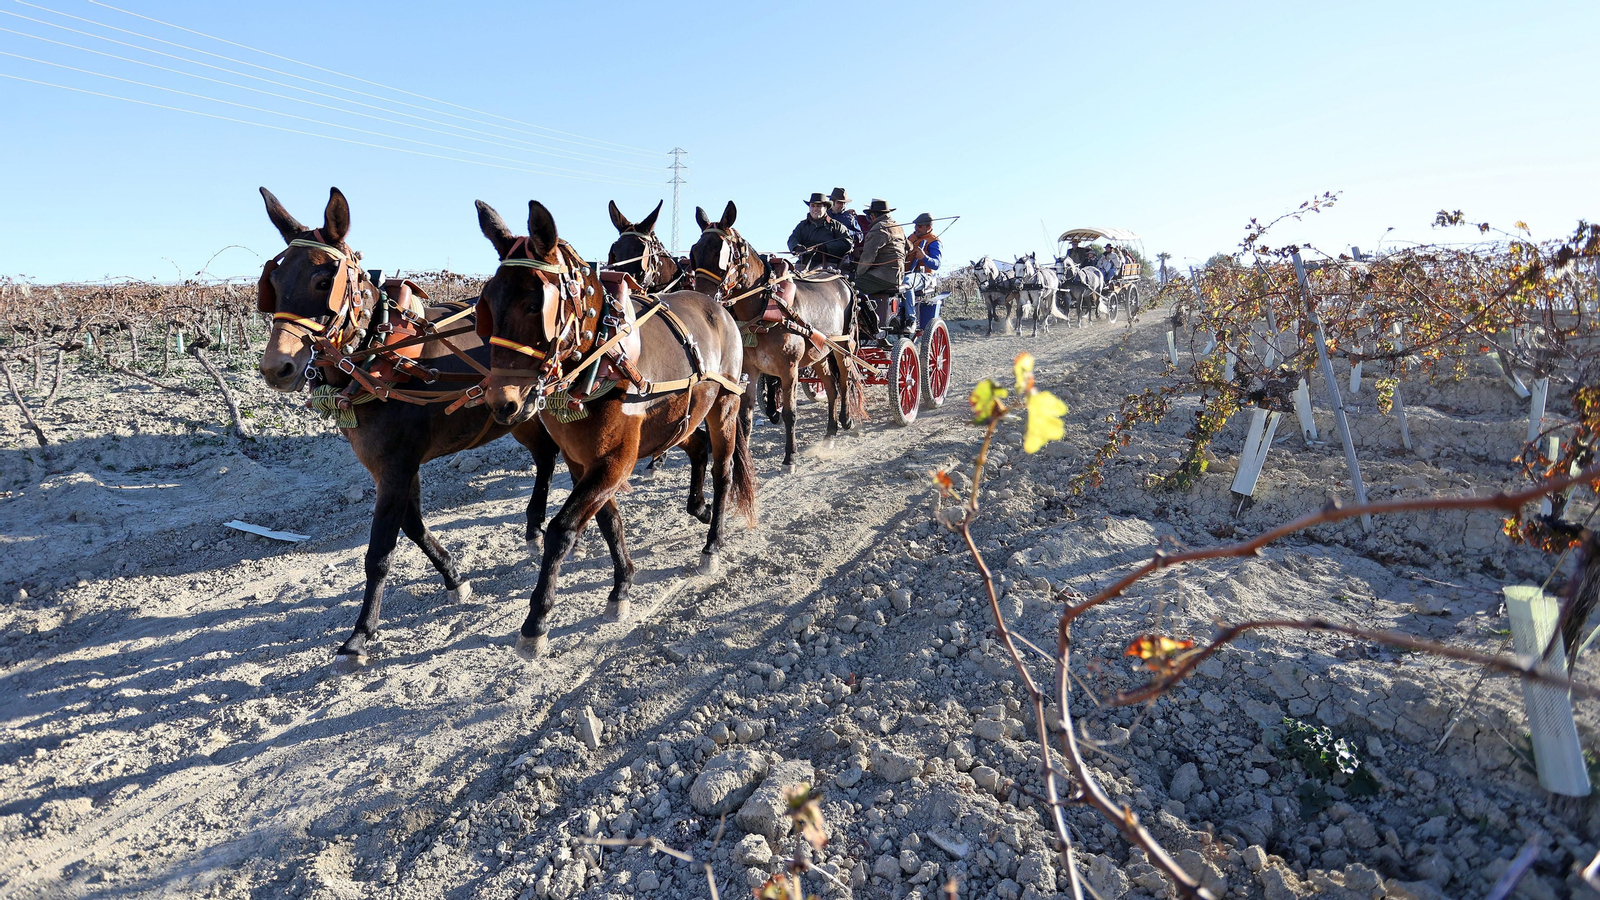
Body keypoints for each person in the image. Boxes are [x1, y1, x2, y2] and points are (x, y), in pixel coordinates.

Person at [853, 199, 907, 333]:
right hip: (898, 275)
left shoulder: (878, 228)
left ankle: (867, 322)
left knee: (852, 287)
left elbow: (868, 258)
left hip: (885, 276)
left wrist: (858, 274)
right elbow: (909, 246)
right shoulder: (897, 226)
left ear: (872, 216)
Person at [787, 192, 854, 269]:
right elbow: (792, 239)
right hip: (803, 264)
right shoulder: (802, 226)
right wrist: (796, 247)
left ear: (825, 208)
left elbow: (848, 243)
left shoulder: (836, 226)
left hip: (829, 265)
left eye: (819, 206)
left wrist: (826, 248)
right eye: (812, 206)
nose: (815, 209)